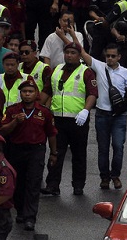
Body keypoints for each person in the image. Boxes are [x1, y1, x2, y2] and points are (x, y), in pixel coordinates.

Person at [78, 40, 127, 190]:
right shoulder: (99, 67)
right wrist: (72, 34)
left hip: (119, 116)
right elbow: (82, 52)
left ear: (119, 57)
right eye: (108, 56)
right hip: (101, 115)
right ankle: (104, 177)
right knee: (103, 149)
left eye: (113, 56)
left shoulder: (125, 72)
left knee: (118, 146)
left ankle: (115, 175)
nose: (110, 58)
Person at [0, 78, 57, 230]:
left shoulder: (44, 112)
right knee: (18, 182)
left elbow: (51, 134)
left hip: (36, 150)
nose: (27, 94)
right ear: (21, 94)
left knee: (33, 182)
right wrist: (15, 122)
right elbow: (3, 131)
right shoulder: (12, 110)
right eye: (24, 92)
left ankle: (30, 217)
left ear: (36, 94)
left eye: (30, 92)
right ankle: (20, 211)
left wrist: (54, 153)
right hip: (16, 149)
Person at [41, 43, 97, 196]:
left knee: (79, 154)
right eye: (67, 52)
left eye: (73, 53)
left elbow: (92, 93)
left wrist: (86, 110)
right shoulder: (56, 70)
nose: (69, 55)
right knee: (56, 153)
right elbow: (46, 91)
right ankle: (52, 185)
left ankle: (78, 185)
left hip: (78, 120)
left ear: (79, 55)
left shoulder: (86, 72)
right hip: (58, 119)